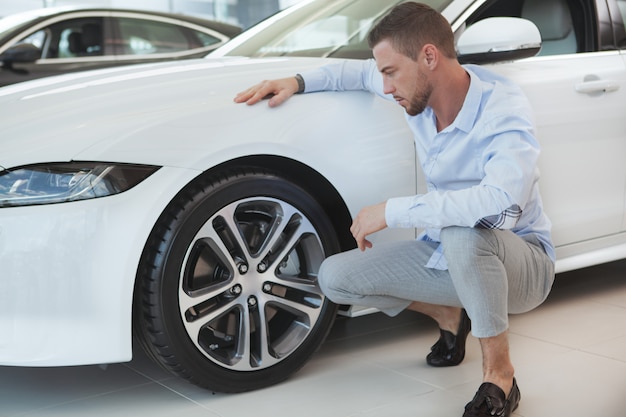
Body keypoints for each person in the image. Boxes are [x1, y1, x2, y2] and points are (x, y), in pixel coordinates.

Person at [234, 3, 555, 416]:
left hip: (523, 260)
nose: (385, 87)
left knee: (462, 228)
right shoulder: (415, 90)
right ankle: (449, 313)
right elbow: (350, 73)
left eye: (390, 73)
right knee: (335, 278)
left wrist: (394, 211)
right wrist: (294, 81)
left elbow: (500, 204)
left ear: (428, 57)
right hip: (448, 255)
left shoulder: (503, 107)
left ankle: (500, 377)